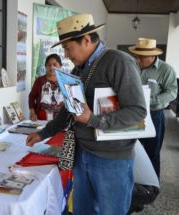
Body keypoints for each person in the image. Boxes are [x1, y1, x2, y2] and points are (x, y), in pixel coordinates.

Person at [26, 13, 147, 215]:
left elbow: (137, 111)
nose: (65, 54)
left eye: (67, 47)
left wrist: (93, 120)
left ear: (86, 40)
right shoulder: (78, 69)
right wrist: (43, 133)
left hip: (112, 159)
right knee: (83, 210)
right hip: (82, 153)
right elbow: (67, 109)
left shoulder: (118, 61)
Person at [128, 38, 178, 179]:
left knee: (152, 152)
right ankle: (136, 183)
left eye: (141, 57)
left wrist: (149, 100)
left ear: (152, 55)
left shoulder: (166, 70)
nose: (137, 59)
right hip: (132, 114)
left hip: (154, 115)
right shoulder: (133, 66)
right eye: (136, 56)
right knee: (133, 150)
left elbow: (172, 93)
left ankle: (151, 186)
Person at [29, 54, 64, 121]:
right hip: (41, 120)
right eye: (49, 65)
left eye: (54, 64)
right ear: (45, 66)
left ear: (60, 66)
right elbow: (31, 97)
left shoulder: (65, 81)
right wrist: (32, 113)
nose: (51, 67)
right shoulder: (40, 81)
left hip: (60, 120)